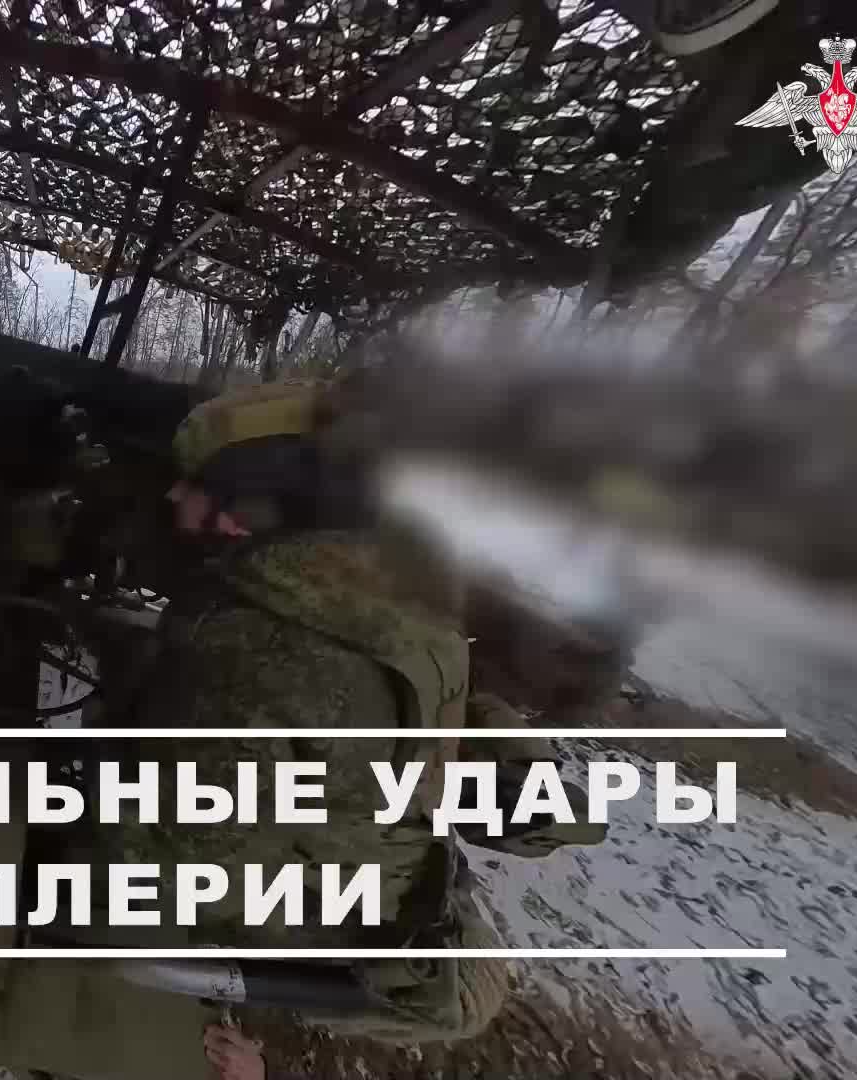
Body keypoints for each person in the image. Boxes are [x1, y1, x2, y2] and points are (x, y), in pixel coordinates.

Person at [115, 380, 599, 1045]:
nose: (174, 495)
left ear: (249, 508)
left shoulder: (267, 639)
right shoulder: (404, 604)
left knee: (465, 983)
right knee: (467, 990)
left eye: (196, 483)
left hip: (352, 893)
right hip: (360, 891)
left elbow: (176, 867)